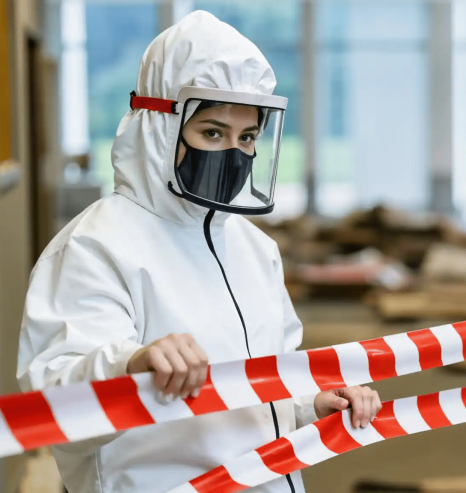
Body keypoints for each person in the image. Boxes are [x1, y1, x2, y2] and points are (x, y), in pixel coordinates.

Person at [17, 11, 381, 493]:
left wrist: (309, 402)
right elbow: (55, 401)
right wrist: (131, 364)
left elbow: (265, 383)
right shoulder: (95, 247)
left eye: (246, 137)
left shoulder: (254, 248)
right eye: (212, 133)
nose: (233, 154)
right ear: (160, 128)